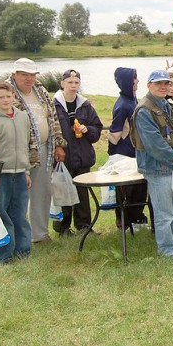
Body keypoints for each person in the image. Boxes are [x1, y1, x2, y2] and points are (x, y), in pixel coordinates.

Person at [0, 58, 66, 244]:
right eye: (24, 75)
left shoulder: (41, 90)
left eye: (32, 75)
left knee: (43, 191)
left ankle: (39, 234)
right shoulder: (4, 91)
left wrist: (59, 143)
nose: (29, 79)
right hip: (15, 153)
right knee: (16, 197)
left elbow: (52, 118)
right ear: (15, 75)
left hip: (44, 149)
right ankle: (13, 238)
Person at [130, 70, 173, 260]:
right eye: (158, 83)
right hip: (157, 168)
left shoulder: (169, 106)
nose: (163, 87)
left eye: (166, 83)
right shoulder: (143, 110)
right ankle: (167, 250)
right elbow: (153, 144)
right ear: (149, 85)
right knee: (164, 212)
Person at [0, 81, 33, 264]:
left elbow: (25, 146)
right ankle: (4, 255)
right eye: (0, 97)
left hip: (19, 174)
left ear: (14, 97)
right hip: (0, 175)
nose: (5, 100)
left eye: (8, 96)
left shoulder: (23, 118)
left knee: (20, 214)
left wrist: (26, 171)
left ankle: (23, 250)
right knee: (3, 214)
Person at [52, 70, 103, 237]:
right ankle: (63, 228)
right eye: (70, 82)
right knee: (63, 191)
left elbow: (97, 129)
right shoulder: (54, 105)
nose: (73, 86)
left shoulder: (85, 105)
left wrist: (87, 129)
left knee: (82, 194)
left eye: (76, 83)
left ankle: (84, 226)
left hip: (82, 155)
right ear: (62, 84)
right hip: (62, 156)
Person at [108, 67, 150, 228]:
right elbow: (115, 132)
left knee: (139, 188)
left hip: (136, 151)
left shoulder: (132, 99)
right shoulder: (123, 105)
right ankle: (124, 221)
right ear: (127, 81)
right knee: (127, 190)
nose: (137, 81)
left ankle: (137, 217)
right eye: (134, 78)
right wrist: (112, 152)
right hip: (125, 153)